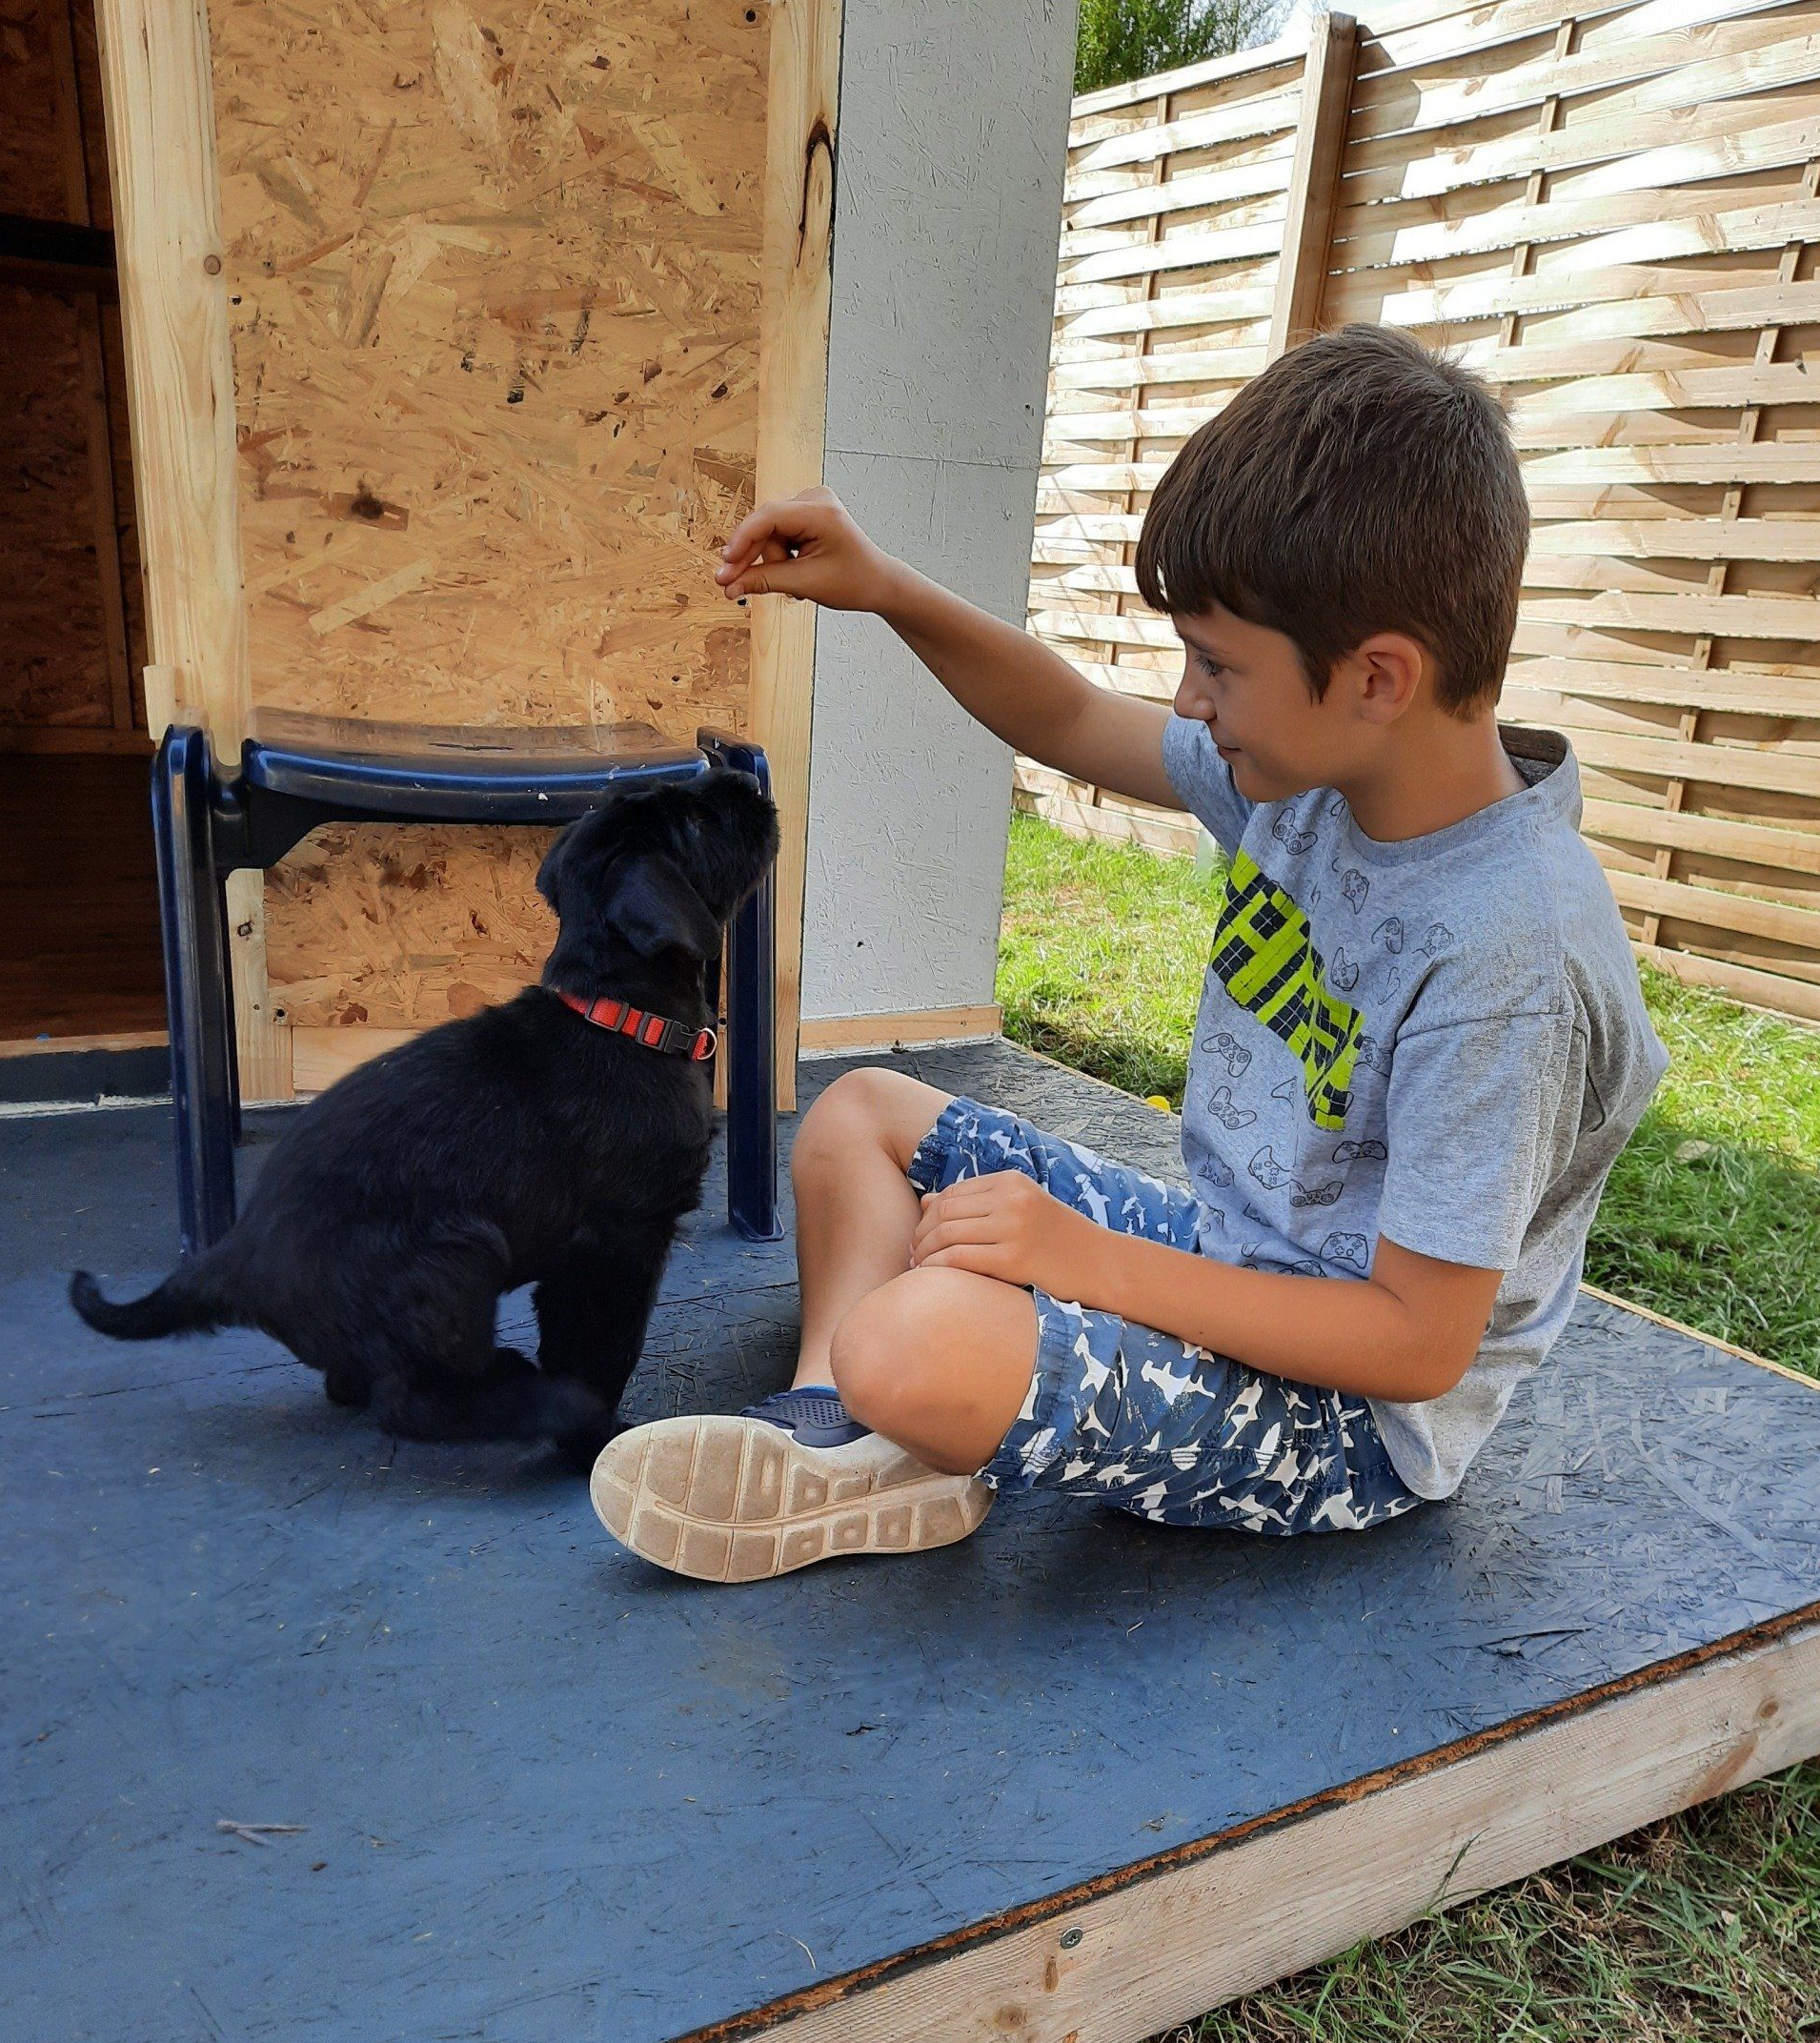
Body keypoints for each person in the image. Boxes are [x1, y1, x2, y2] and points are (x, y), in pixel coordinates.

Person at [589, 324, 1668, 1584]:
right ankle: (837, 1431)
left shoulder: (1510, 965)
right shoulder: (1320, 781)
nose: (1192, 700)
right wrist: (884, 586)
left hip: (1349, 1421)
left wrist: (1084, 1262)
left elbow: (1417, 1345)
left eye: (1218, 665)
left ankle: (891, 1398)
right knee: (861, 1118)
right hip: (1223, 1255)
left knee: (918, 1339)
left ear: (1378, 679)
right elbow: (1068, 714)